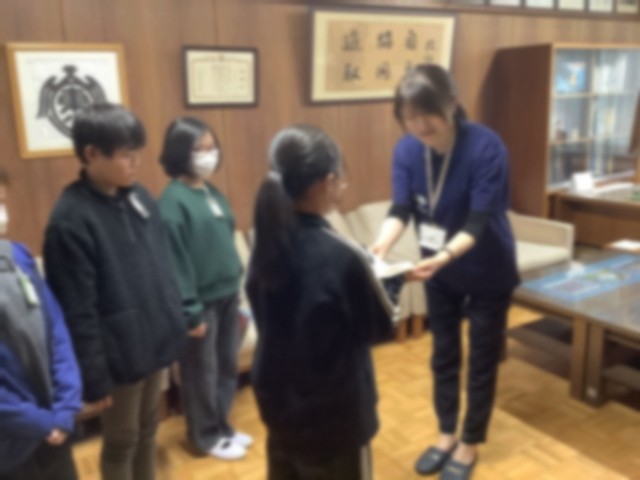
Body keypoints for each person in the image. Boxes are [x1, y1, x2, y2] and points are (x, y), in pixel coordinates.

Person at [370, 65, 519, 480]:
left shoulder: (486, 146)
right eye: (409, 117)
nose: (420, 125)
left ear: (451, 104)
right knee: (444, 355)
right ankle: (445, 434)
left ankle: (469, 443)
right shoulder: (407, 150)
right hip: (438, 271)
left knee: (482, 359)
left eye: (427, 114)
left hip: (487, 268)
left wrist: (444, 256)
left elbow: (480, 220)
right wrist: (381, 244)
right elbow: (401, 207)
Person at [43, 104, 187, 480]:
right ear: (92, 154)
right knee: (122, 440)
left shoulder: (139, 197)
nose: (136, 162)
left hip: (152, 340)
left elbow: (162, 268)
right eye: (126, 155)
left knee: (149, 430)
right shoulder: (70, 220)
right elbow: (77, 308)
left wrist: (174, 323)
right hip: (117, 355)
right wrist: (93, 374)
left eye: (137, 152)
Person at [247, 125, 394, 480]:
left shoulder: (265, 245)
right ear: (327, 183)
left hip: (279, 405)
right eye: (340, 179)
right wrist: (391, 281)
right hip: (334, 418)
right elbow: (378, 328)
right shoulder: (342, 255)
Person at [158, 118, 252, 461]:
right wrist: (190, 311)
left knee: (226, 367)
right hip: (201, 303)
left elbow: (224, 240)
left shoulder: (211, 192)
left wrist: (236, 283)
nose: (208, 156)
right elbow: (175, 263)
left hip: (227, 294)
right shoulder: (172, 201)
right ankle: (205, 436)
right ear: (179, 152)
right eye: (199, 150)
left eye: (212, 148)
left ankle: (221, 426)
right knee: (201, 374)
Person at [0, 167, 82, 480]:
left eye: (1, 201)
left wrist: (66, 403)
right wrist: (42, 422)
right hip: (12, 444)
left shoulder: (17, 256)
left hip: (54, 427)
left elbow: (56, 328)